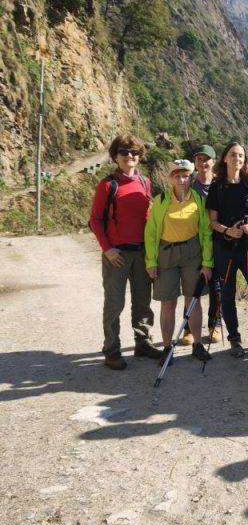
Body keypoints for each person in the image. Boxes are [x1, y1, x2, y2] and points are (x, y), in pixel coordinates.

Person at [88, 134, 162, 370]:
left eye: (135, 153)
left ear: (140, 157)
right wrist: (107, 249)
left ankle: (142, 342)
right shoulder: (108, 185)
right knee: (115, 302)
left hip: (141, 252)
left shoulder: (145, 183)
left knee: (143, 301)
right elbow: (95, 220)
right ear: (115, 156)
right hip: (117, 254)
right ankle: (111, 349)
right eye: (124, 152)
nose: (130, 156)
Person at [206, 140, 248, 358]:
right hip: (225, 248)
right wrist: (228, 231)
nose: (238, 159)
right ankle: (235, 340)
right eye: (234, 155)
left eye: (241, 156)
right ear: (225, 158)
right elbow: (212, 222)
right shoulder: (216, 187)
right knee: (227, 294)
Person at [145, 159, 214, 364]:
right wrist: (151, 262)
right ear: (170, 178)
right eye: (177, 175)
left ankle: (197, 344)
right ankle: (167, 348)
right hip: (166, 253)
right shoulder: (161, 200)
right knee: (168, 302)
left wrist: (207, 262)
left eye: (185, 176)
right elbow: (150, 232)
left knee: (193, 300)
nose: (182, 179)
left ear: (190, 177)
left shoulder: (199, 201)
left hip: (192, 253)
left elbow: (206, 233)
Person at [187, 144, 221, 345]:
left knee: (217, 287)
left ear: (214, 162)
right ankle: (189, 329)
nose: (202, 163)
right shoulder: (189, 186)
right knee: (192, 286)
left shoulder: (220, 185)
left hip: (217, 242)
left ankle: (215, 325)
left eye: (206, 159)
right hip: (193, 242)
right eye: (198, 159)